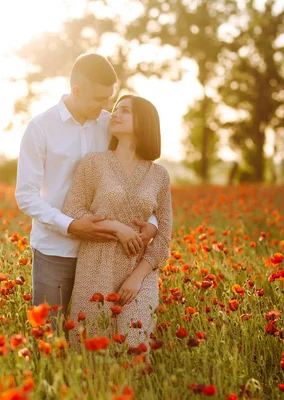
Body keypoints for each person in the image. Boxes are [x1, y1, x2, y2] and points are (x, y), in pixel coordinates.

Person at [15, 53, 159, 330]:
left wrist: (151, 223)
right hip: (55, 250)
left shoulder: (110, 124)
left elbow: (145, 177)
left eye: (110, 98)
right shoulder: (40, 128)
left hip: (105, 254)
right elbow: (26, 195)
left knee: (95, 337)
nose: (107, 106)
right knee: (49, 334)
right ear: (76, 90)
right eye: (99, 99)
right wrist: (71, 225)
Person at [62, 94, 173, 349]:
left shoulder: (159, 175)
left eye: (125, 110)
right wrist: (116, 227)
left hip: (140, 273)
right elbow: (72, 209)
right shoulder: (93, 163)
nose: (115, 114)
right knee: (90, 350)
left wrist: (137, 277)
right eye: (115, 109)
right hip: (95, 267)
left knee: (134, 349)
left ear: (144, 122)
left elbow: (164, 235)